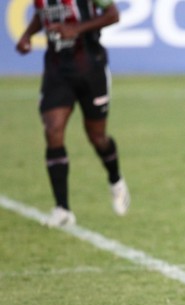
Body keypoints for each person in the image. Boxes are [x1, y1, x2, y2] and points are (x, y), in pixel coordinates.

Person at [16, 0, 129, 227]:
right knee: (53, 129)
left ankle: (116, 180)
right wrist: (27, 35)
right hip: (57, 70)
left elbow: (113, 14)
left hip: (90, 67)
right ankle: (62, 209)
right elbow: (42, 14)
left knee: (97, 137)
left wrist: (75, 29)